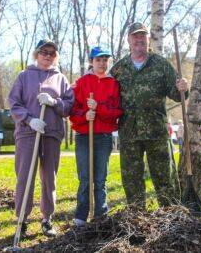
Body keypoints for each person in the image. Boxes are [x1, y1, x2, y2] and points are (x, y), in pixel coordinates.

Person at [110, 22, 189, 210]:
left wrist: (183, 88)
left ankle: (171, 217)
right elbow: (108, 98)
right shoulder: (118, 69)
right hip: (129, 133)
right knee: (132, 178)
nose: (139, 39)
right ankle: (137, 219)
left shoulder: (161, 64)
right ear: (129, 40)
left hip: (157, 131)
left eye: (142, 36)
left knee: (165, 177)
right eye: (135, 36)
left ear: (148, 39)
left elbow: (177, 95)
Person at [8, 39, 74, 237]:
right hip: (28, 133)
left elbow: (69, 106)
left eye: (52, 53)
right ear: (37, 54)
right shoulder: (24, 76)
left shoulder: (60, 78)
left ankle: (47, 219)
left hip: (51, 133)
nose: (48, 56)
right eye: (44, 52)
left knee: (49, 178)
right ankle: (22, 220)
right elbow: (14, 103)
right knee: (25, 176)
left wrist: (54, 102)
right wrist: (29, 119)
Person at [70, 47, 123, 226]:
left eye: (105, 60)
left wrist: (98, 108)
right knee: (85, 178)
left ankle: (101, 215)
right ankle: (81, 216)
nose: (102, 63)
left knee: (100, 179)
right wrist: (85, 115)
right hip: (84, 136)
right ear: (91, 62)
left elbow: (116, 111)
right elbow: (73, 110)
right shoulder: (82, 82)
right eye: (98, 60)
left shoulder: (113, 83)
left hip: (103, 136)